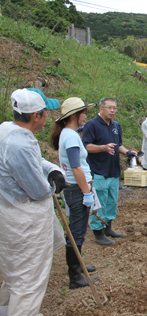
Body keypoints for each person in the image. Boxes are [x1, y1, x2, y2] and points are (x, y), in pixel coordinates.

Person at [0, 88, 65, 315]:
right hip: (24, 221)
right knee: (28, 282)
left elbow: (36, 161)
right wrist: (54, 186)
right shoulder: (19, 145)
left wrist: (52, 169)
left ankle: (6, 309)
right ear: (36, 116)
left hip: (12, 215)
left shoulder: (8, 131)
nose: (48, 116)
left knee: (15, 274)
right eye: (46, 112)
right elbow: (38, 190)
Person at [51, 97, 99, 290]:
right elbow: (76, 167)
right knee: (76, 233)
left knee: (77, 230)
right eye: (83, 113)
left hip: (77, 188)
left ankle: (78, 266)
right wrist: (86, 192)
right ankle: (75, 276)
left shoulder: (69, 133)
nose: (85, 116)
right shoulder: (70, 136)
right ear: (75, 115)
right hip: (77, 189)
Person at [83, 97, 136, 246]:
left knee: (112, 201)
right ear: (101, 109)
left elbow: (118, 145)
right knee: (100, 202)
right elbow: (86, 146)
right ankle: (97, 232)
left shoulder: (116, 126)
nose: (112, 111)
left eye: (114, 108)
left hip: (113, 170)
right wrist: (103, 148)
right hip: (98, 170)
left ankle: (108, 228)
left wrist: (128, 152)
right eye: (109, 107)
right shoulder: (91, 125)